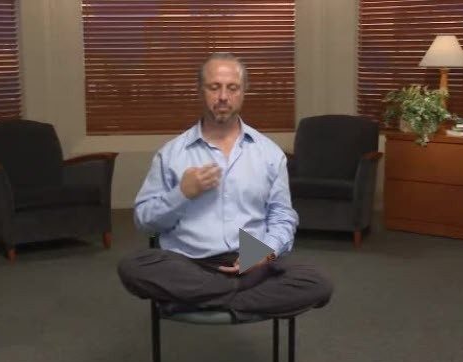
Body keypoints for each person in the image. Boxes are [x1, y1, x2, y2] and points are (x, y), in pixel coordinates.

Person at [117, 52, 332, 317]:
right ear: (200, 91)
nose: (222, 97)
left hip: (252, 262)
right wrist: (182, 193)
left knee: (317, 283)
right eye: (214, 87)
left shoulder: (269, 153)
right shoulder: (172, 154)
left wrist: (266, 252)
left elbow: (282, 215)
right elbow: (145, 222)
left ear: (243, 93)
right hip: (187, 263)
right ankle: (240, 298)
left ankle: (196, 301)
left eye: (232, 88)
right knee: (132, 266)